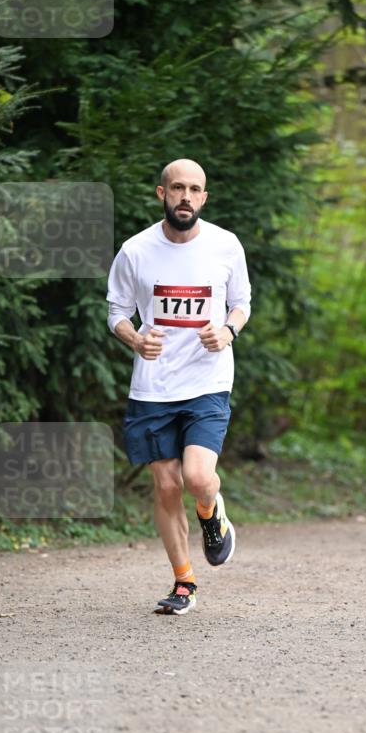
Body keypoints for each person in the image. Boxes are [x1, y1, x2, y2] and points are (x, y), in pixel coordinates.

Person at [106, 159, 251, 616]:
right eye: (177, 188)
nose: (185, 196)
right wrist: (135, 337)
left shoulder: (225, 245)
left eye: (195, 189)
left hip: (208, 380)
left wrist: (228, 331)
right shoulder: (135, 250)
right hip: (153, 387)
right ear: (161, 194)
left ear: (204, 197)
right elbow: (116, 312)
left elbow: (242, 303)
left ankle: (211, 511)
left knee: (196, 478)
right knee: (167, 487)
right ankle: (184, 581)